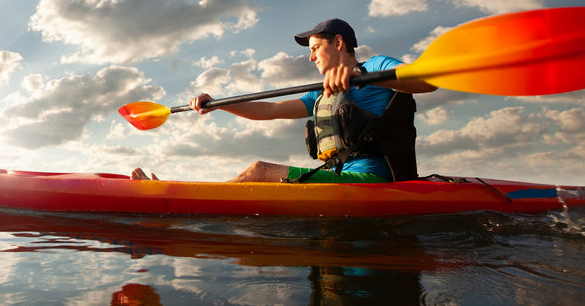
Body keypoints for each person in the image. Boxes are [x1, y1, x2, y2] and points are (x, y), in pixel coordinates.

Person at [132, 18, 436, 182]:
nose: (311, 56)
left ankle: (179, 199)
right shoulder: (323, 91)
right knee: (259, 171)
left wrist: (357, 74)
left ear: (339, 43)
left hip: (372, 179)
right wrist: (220, 103)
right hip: (335, 175)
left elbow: (427, 82)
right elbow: (270, 110)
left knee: (259, 171)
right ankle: (183, 192)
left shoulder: (376, 67)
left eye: (315, 48)